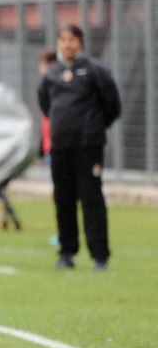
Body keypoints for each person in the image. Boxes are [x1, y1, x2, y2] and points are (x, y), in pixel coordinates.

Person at [38, 24, 121, 271]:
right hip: (60, 147)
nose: (67, 44)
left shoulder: (96, 70)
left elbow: (113, 105)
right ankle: (67, 253)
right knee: (63, 200)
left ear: (80, 43)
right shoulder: (52, 74)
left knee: (91, 199)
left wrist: (94, 127)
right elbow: (45, 105)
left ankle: (99, 256)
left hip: (88, 147)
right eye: (63, 39)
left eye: (72, 39)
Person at [37, 48, 57, 165]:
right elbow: (46, 120)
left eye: (45, 65)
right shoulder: (45, 88)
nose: (42, 69)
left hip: (58, 145)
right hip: (49, 146)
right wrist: (41, 149)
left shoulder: (57, 89)